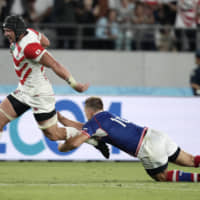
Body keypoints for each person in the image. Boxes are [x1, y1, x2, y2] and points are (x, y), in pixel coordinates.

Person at [0, 15, 109, 158]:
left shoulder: (30, 48)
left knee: (54, 134)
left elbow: (55, 65)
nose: (6, 34)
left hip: (40, 95)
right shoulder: (29, 33)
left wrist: (74, 84)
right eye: (5, 30)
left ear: (18, 31)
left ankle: (90, 138)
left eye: (9, 31)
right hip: (24, 91)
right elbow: (46, 41)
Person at [57, 96, 200, 182]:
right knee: (191, 161)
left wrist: (64, 146)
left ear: (89, 111)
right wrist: (59, 117)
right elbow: (81, 126)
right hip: (155, 134)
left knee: (161, 176)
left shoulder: (95, 122)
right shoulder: (106, 116)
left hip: (147, 147)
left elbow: (76, 142)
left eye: (85, 112)